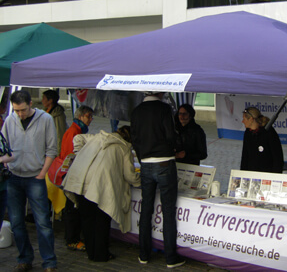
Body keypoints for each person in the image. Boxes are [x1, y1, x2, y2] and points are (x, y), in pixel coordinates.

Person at [62, 126, 140, 262]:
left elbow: (78, 138)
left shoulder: (98, 137)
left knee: (87, 220)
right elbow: (130, 175)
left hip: (82, 183)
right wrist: (140, 182)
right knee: (101, 221)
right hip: (100, 187)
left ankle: (91, 252)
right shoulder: (124, 147)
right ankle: (101, 254)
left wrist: (81, 155)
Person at [2, 90, 58, 272]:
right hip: (13, 177)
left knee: (42, 222)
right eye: (17, 110)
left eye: (23, 110)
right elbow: (4, 146)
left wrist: (42, 173)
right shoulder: (10, 121)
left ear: (31, 104)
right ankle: (24, 258)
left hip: (35, 176)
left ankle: (49, 262)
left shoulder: (45, 120)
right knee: (17, 222)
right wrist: (6, 160)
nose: (20, 114)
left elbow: (51, 149)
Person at [131, 92, 185, 268]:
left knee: (146, 209)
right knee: (168, 210)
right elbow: (170, 135)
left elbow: (135, 139)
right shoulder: (164, 108)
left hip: (146, 163)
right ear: (159, 92)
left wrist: (142, 158)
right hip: (164, 162)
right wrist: (175, 147)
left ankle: (143, 254)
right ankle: (170, 257)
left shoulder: (137, 111)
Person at [47, 105, 94, 252]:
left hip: (73, 174)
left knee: (73, 207)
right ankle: (72, 239)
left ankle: (73, 237)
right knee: (72, 207)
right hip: (71, 176)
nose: (90, 120)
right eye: (88, 116)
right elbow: (70, 156)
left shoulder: (77, 130)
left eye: (91, 117)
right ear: (80, 116)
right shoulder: (74, 132)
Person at [240, 107, 284, 173]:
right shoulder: (248, 133)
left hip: (267, 174)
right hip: (252, 174)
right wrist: (242, 174)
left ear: (251, 119)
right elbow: (245, 156)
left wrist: (275, 176)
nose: (242, 121)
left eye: (244, 119)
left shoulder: (269, 132)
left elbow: (277, 157)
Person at [42, 89, 67, 154]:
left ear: (50, 101)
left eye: (44, 98)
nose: (42, 100)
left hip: (53, 149)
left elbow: (60, 134)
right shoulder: (45, 111)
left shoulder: (58, 115)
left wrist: (58, 152)